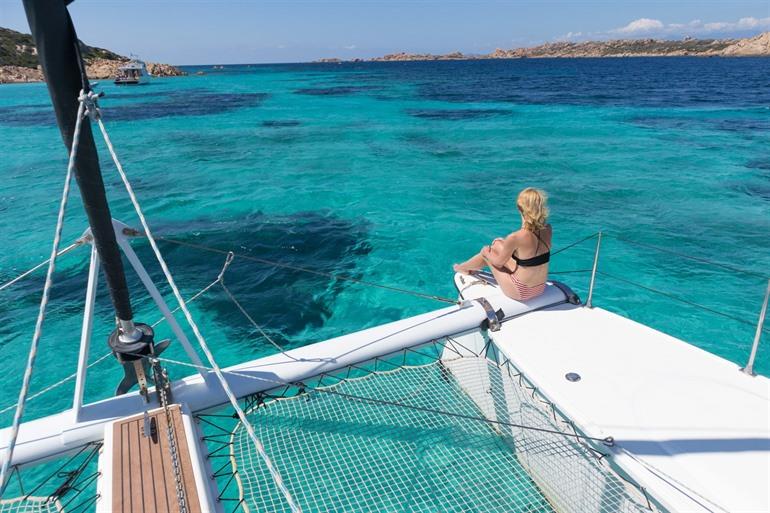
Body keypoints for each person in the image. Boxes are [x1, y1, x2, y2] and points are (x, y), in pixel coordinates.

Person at [453, 187, 551, 301]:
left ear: (520, 208)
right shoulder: (548, 229)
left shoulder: (516, 237)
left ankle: (462, 268)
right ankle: (464, 267)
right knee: (498, 243)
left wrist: (486, 252)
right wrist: (499, 245)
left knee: (487, 253)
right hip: (540, 288)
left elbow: (498, 263)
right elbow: (529, 253)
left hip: (521, 291)